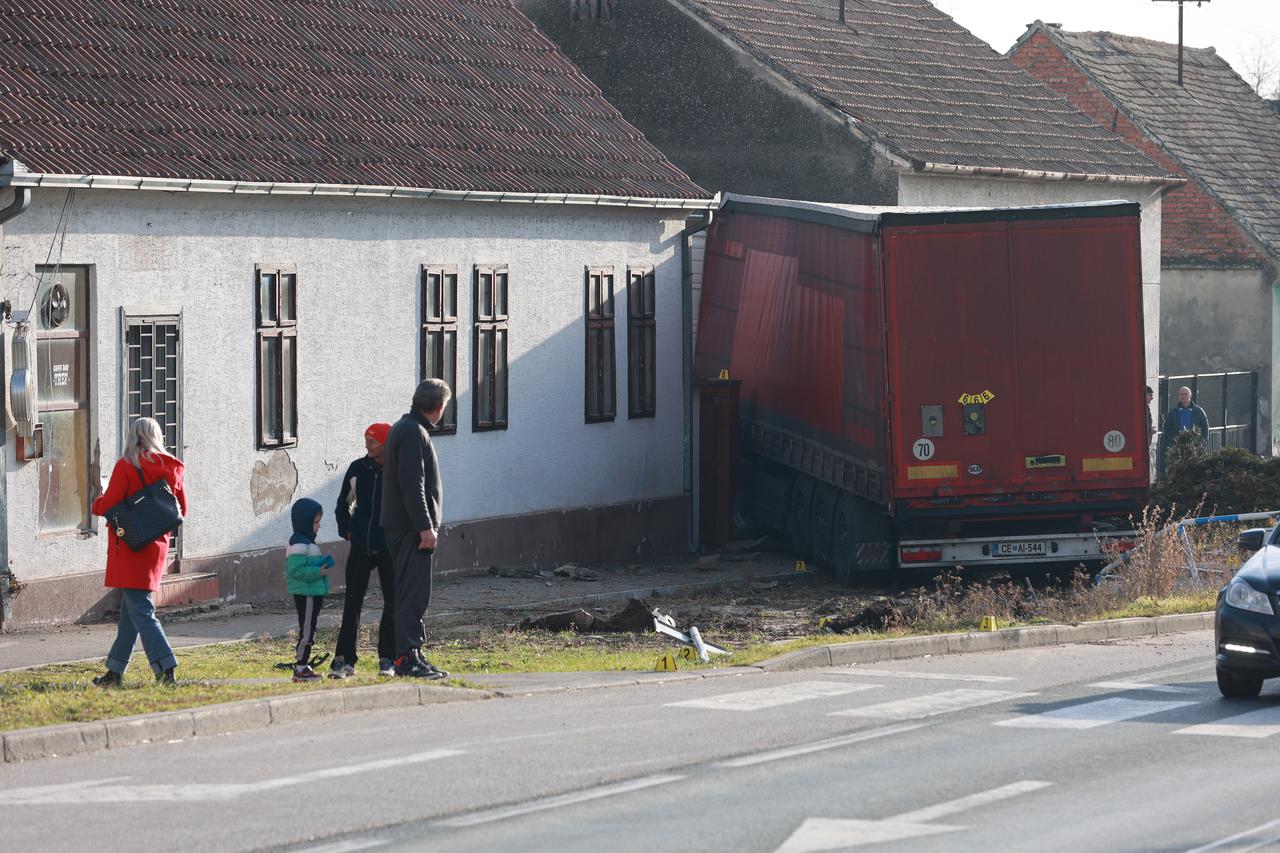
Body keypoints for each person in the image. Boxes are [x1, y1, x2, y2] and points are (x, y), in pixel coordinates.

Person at [89, 417, 187, 686]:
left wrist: (96, 501)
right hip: (156, 547)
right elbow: (182, 510)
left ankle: (166, 668)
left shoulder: (127, 465)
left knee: (141, 612)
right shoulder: (172, 467)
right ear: (157, 436)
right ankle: (114, 672)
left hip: (132, 547)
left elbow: (109, 504)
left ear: (133, 436)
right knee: (130, 615)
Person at [381, 379, 451, 679]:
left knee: (412, 593)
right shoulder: (412, 433)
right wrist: (425, 526)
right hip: (410, 529)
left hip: (403, 526)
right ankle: (407, 656)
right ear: (439, 407)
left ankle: (413, 653)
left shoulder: (407, 427)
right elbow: (413, 485)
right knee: (413, 594)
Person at [329, 423, 397, 678]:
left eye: (373, 440)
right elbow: (342, 504)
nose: (368, 444)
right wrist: (347, 530)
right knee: (352, 602)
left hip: (389, 546)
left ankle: (388, 658)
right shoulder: (358, 468)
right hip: (361, 546)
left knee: (393, 602)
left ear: (385, 443)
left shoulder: (397, 468)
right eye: (366, 439)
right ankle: (344, 660)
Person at [285, 497, 335, 683]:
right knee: (307, 631)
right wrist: (318, 571)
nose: (319, 526)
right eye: (315, 522)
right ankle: (300, 667)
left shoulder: (307, 542)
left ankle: (303, 666)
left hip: (312, 592)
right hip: (306, 594)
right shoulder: (299, 544)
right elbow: (295, 570)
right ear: (304, 522)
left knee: (310, 629)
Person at [1158, 385, 1210, 474]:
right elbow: (1167, 428)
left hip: (1194, 446)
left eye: (1185, 394)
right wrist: (1172, 441)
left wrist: (1202, 441)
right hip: (1178, 447)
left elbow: (1205, 427)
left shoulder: (1198, 411)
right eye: (1181, 394)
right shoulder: (1173, 412)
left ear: (1190, 396)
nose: (1183, 396)